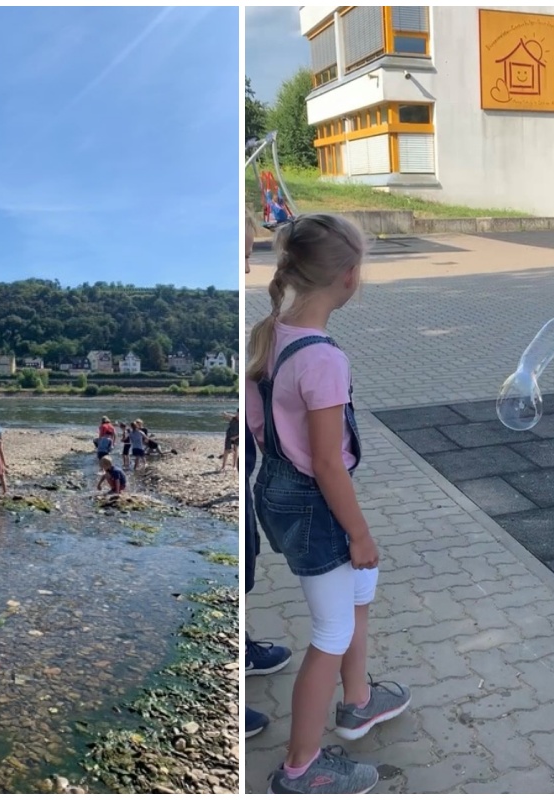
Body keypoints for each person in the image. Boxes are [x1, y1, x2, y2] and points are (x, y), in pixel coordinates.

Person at [246, 213, 410, 793]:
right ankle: (300, 769)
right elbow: (325, 462)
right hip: (315, 501)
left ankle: (359, 700)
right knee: (330, 634)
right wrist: (360, 533)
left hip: (280, 491)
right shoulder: (322, 358)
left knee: (360, 591)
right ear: (348, 277)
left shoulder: (270, 334)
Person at [242, 213, 292, 740]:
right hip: (261, 470)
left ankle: (242, 647)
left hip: (257, 471)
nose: (250, 256)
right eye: (245, 245)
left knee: (247, 560)